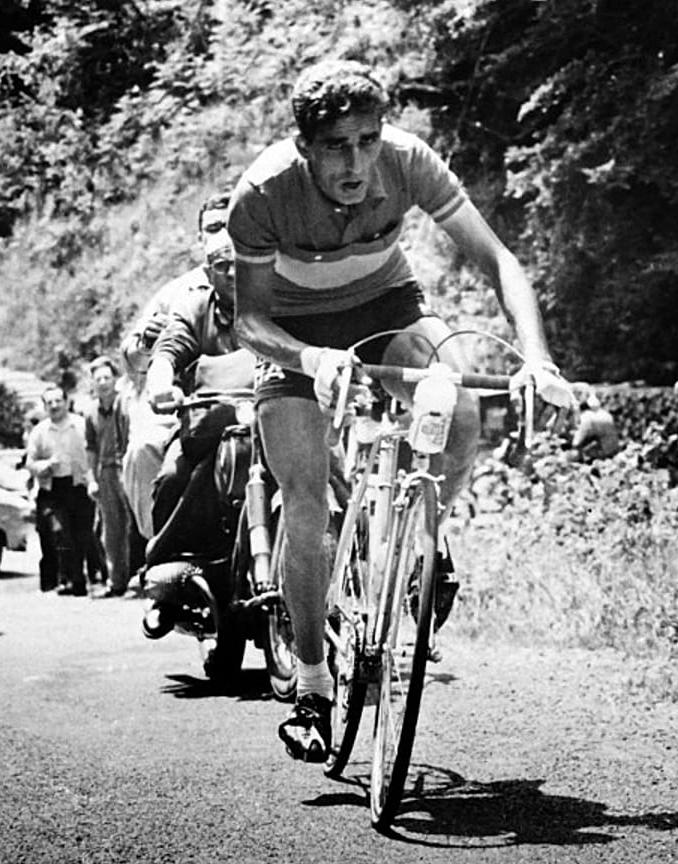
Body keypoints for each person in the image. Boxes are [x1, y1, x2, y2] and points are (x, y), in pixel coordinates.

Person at [227, 59, 572, 763]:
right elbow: (249, 322)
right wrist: (311, 360)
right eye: (336, 146)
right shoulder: (263, 193)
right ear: (304, 146)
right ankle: (313, 686)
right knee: (305, 505)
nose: (356, 163)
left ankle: (415, 541)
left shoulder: (409, 161)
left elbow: (499, 260)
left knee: (462, 413)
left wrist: (538, 360)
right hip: (294, 334)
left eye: (368, 140)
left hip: (387, 307)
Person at [120, 193, 236, 539]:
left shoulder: (272, 283)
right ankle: (160, 543)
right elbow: (140, 359)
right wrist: (150, 351)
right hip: (192, 410)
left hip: (260, 402)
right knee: (146, 450)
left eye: (231, 224)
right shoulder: (179, 295)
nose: (223, 233)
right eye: (213, 228)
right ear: (200, 238)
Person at [25, 386, 93, 596]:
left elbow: (93, 451)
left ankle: (78, 580)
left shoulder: (80, 425)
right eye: (50, 403)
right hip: (52, 488)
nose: (54, 406)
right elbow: (30, 462)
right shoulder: (40, 431)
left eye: (58, 401)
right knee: (59, 532)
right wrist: (45, 465)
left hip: (77, 486)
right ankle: (67, 579)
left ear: (66, 402)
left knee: (81, 534)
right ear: (45, 407)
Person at [84, 356, 133, 597]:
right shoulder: (90, 413)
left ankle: (138, 579)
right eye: (98, 379)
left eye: (107, 377)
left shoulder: (126, 404)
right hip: (105, 472)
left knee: (134, 526)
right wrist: (91, 479)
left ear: (115, 379)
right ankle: (116, 581)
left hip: (126, 467)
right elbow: (90, 449)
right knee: (111, 530)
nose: (103, 382)